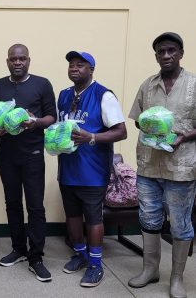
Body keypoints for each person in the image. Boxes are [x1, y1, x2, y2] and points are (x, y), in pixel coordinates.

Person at [128, 32, 196, 298]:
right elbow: (136, 119)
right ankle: (150, 269)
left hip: (181, 168)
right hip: (148, 165)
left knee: (180, 224)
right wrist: (150, 124)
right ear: (155, 55)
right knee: (148, 218)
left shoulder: (193, 84)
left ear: (180, 53)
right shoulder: (148, 85)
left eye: (171, 50)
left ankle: (177, 278)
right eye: (160, 51)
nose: (166, 55)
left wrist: (185, 135)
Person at [56, 51, 127, 287]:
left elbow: (121, 131)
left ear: (91, 69)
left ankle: (96, 265)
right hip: (67, 168)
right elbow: (61, 128)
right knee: (73, 215)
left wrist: (92, 137)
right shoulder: (64, 95)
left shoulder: (103, 95)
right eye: (71, 65)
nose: (74, 68)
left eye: (80, 65)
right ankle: (80, 254)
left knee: (93, 218)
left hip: (93, 170)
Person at [0, 44, 56, 282]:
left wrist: (34, 122)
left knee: (35, 206)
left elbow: (51, 116)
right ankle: (18, 249)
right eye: (13, 59)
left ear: (29, 60)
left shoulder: (42, 84)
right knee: (12, 203)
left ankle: (36, 257)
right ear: (7, 61)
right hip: (6, 154)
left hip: (33, 154)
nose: (18, 62)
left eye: (22, 59)